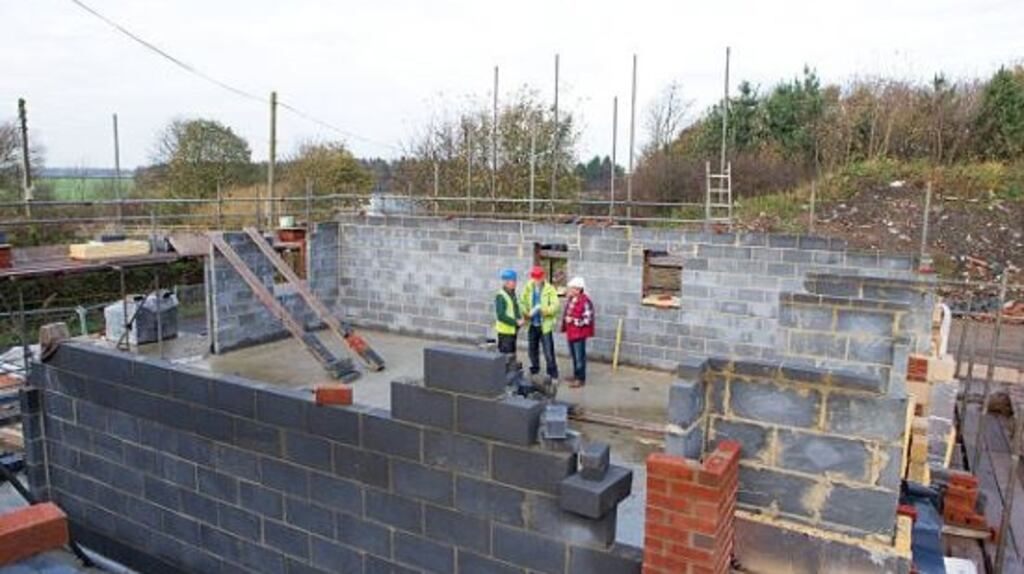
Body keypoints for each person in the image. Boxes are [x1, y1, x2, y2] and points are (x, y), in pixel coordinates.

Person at [520, 265, 560, 381]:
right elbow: (522, 302)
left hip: (544, 325)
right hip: (532, 324)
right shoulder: (528, 287)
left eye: (538, 277)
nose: (536, 280)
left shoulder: (550, 289)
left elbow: (555, 306)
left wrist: (544, 310)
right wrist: (526, 312)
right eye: (534, 277)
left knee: (548, 351)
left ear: (543, 277)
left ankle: (552, 374)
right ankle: (535, 369)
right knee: (532, 350)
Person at [561, 276, 595, 388]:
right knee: (574, 356)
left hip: (579, 333)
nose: (570, 290)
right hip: (571, 332)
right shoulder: (572, 299)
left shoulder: (585, 302)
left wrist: (573, 320)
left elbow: (587, 320)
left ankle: (580, 379)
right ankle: (576, 375)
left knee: (580, 357)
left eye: (572, 288)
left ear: (579, 289)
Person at [494, 269, 524, 358]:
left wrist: (519, 319)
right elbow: (501, 316)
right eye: (513, 281)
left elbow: (515, 309)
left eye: (515, 280)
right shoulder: (501, 296)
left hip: (512, 331)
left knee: (511, 356)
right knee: (505, 358)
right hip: (505, 333)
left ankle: (511, 371)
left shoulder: (512, 294)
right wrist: (516, 322)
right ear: (506, 282)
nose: (515, 283)